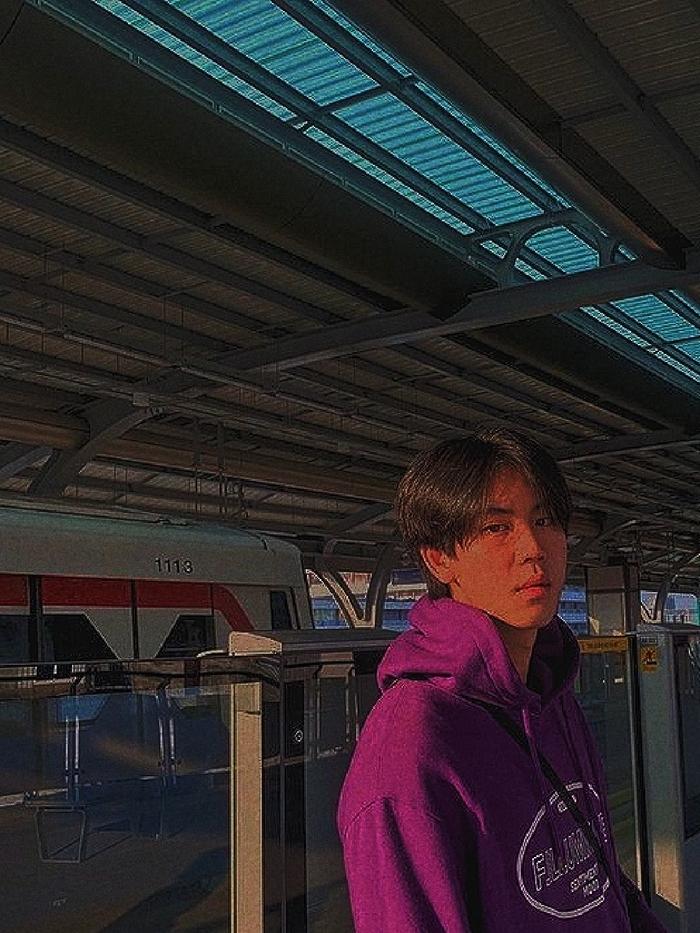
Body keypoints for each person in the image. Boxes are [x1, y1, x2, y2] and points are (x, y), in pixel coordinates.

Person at [337, 429, 667, 932]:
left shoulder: (552, 693)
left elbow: (597, 884)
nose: (533, 547)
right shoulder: (410, 751)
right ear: (439, 558)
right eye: (496, 527)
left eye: (545, 520)